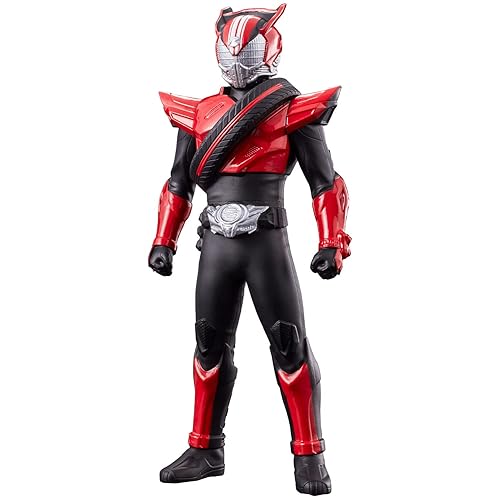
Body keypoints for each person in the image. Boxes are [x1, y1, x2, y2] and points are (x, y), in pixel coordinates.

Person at [148, 4, 351, 495]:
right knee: (208, 344)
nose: (237, 59)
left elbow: (326, 183)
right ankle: (204, 448)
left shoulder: (292, 109)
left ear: (268, 49)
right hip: (216, 244)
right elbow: (178, 184)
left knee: (289, 343)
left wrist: (331, 242)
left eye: (247, 49)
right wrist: (163, 240)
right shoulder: (199, 114)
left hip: (266, 243)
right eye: (230, 50)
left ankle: (309, 454)